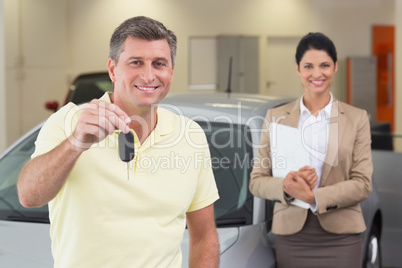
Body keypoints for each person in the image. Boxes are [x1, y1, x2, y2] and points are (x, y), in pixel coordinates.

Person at [17, 16, 220, 268]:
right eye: (136, 62)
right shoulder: (69, 122)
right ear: (113, 69)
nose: (148, 76)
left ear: (171, 72)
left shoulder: (191, 135)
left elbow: (204, 236)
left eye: (159, 64)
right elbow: (28, 195)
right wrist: (76, 143)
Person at [249, 32, 373, 268]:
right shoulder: (276, 117)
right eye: (308, 66)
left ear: (335, 67)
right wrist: (286, 186)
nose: (317, 74)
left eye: (324, 65)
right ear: (298, 69)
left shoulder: (356, 119)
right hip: (293, 236)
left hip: (342, 236)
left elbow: (362, 183)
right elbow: (256, 181)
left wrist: (312, 197)